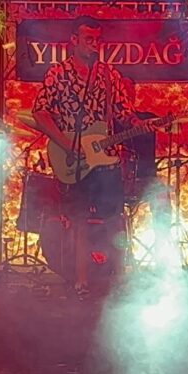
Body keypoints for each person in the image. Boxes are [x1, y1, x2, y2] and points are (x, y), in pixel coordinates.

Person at [32, 16, 144, 298]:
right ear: (74, 41)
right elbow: (39, 111)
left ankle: (120, 279)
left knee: (114, 217)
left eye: (97, 39)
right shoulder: (58, 73)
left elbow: (123, 111)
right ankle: (81, 281)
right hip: (73, 158)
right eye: (89, 39)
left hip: (105, 158)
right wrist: (66, 143)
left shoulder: (109, 74)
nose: (95, 44)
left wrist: (136, 122)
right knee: (79, 220)